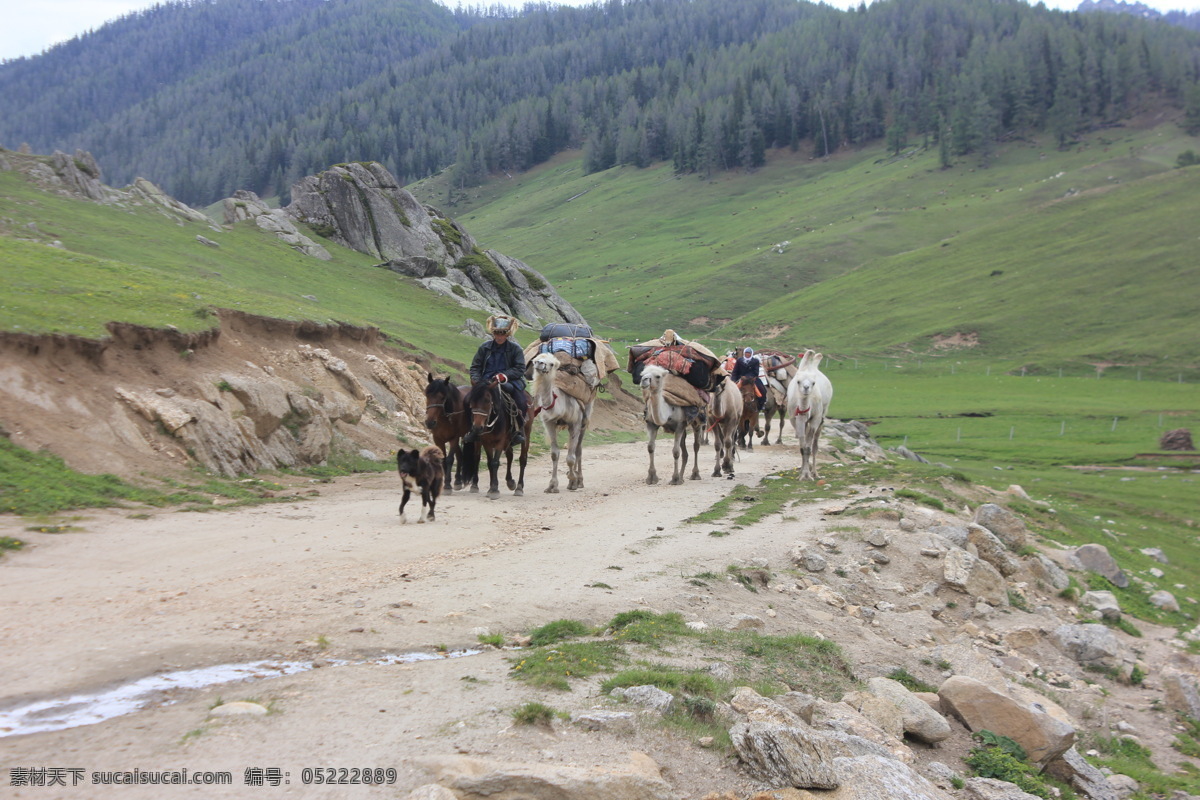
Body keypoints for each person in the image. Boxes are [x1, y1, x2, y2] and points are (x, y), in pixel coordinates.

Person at [465, 316, 527, 445]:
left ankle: (517, 431)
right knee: (467, 400)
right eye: (497, 333)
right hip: (485, 381)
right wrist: (476, 381)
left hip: (509, 382)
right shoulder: (484, 347)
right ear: (493, 333)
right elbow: (475, 367)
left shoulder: (515, 349)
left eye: (502, 334)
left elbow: (520, 368)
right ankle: (471, 430)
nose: (499, 336)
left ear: (507, 334)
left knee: (521, 401)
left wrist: (505, 376)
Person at [731, 346, 766, 412]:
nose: (747, 354)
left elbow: (756, 372)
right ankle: (731, 405)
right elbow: (735, 371)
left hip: (752, 379)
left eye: (749, 353)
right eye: (746, 353)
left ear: (751, 354)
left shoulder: (755, 361)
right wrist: (733, 380)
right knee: (731, 390)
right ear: (744, 353)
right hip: (740, 378)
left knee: (762, 389)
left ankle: (761, 404)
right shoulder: (739, 360)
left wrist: (748, 377)